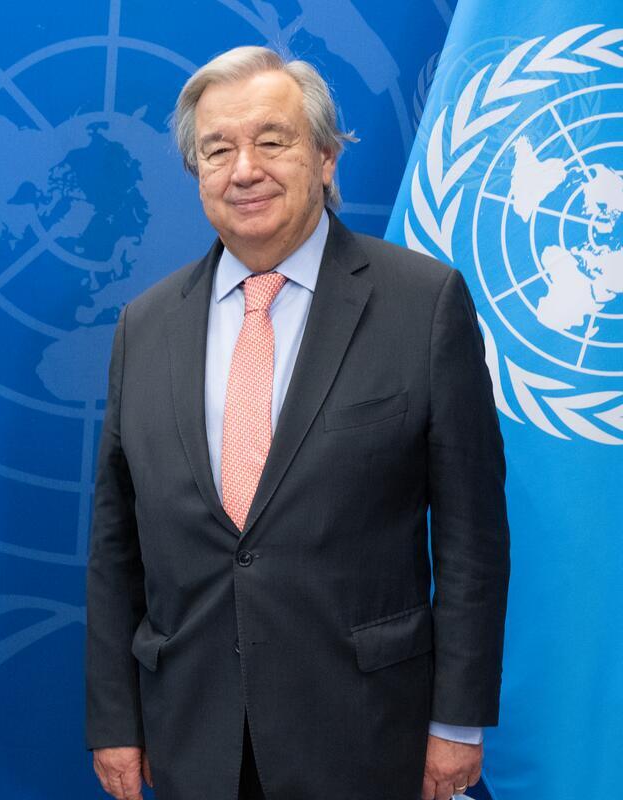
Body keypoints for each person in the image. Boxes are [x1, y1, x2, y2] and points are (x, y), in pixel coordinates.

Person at [85, 46, 509, 800]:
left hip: (367, 733)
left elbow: (472, 538)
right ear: (197, 173)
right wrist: (115, 718)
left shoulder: (423, 304)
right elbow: (116, 546)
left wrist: (457, 723)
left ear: (325, 157)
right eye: (218, 150)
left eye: (272, 141)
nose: (245, 169)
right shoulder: (143, 327)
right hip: (192, 735)